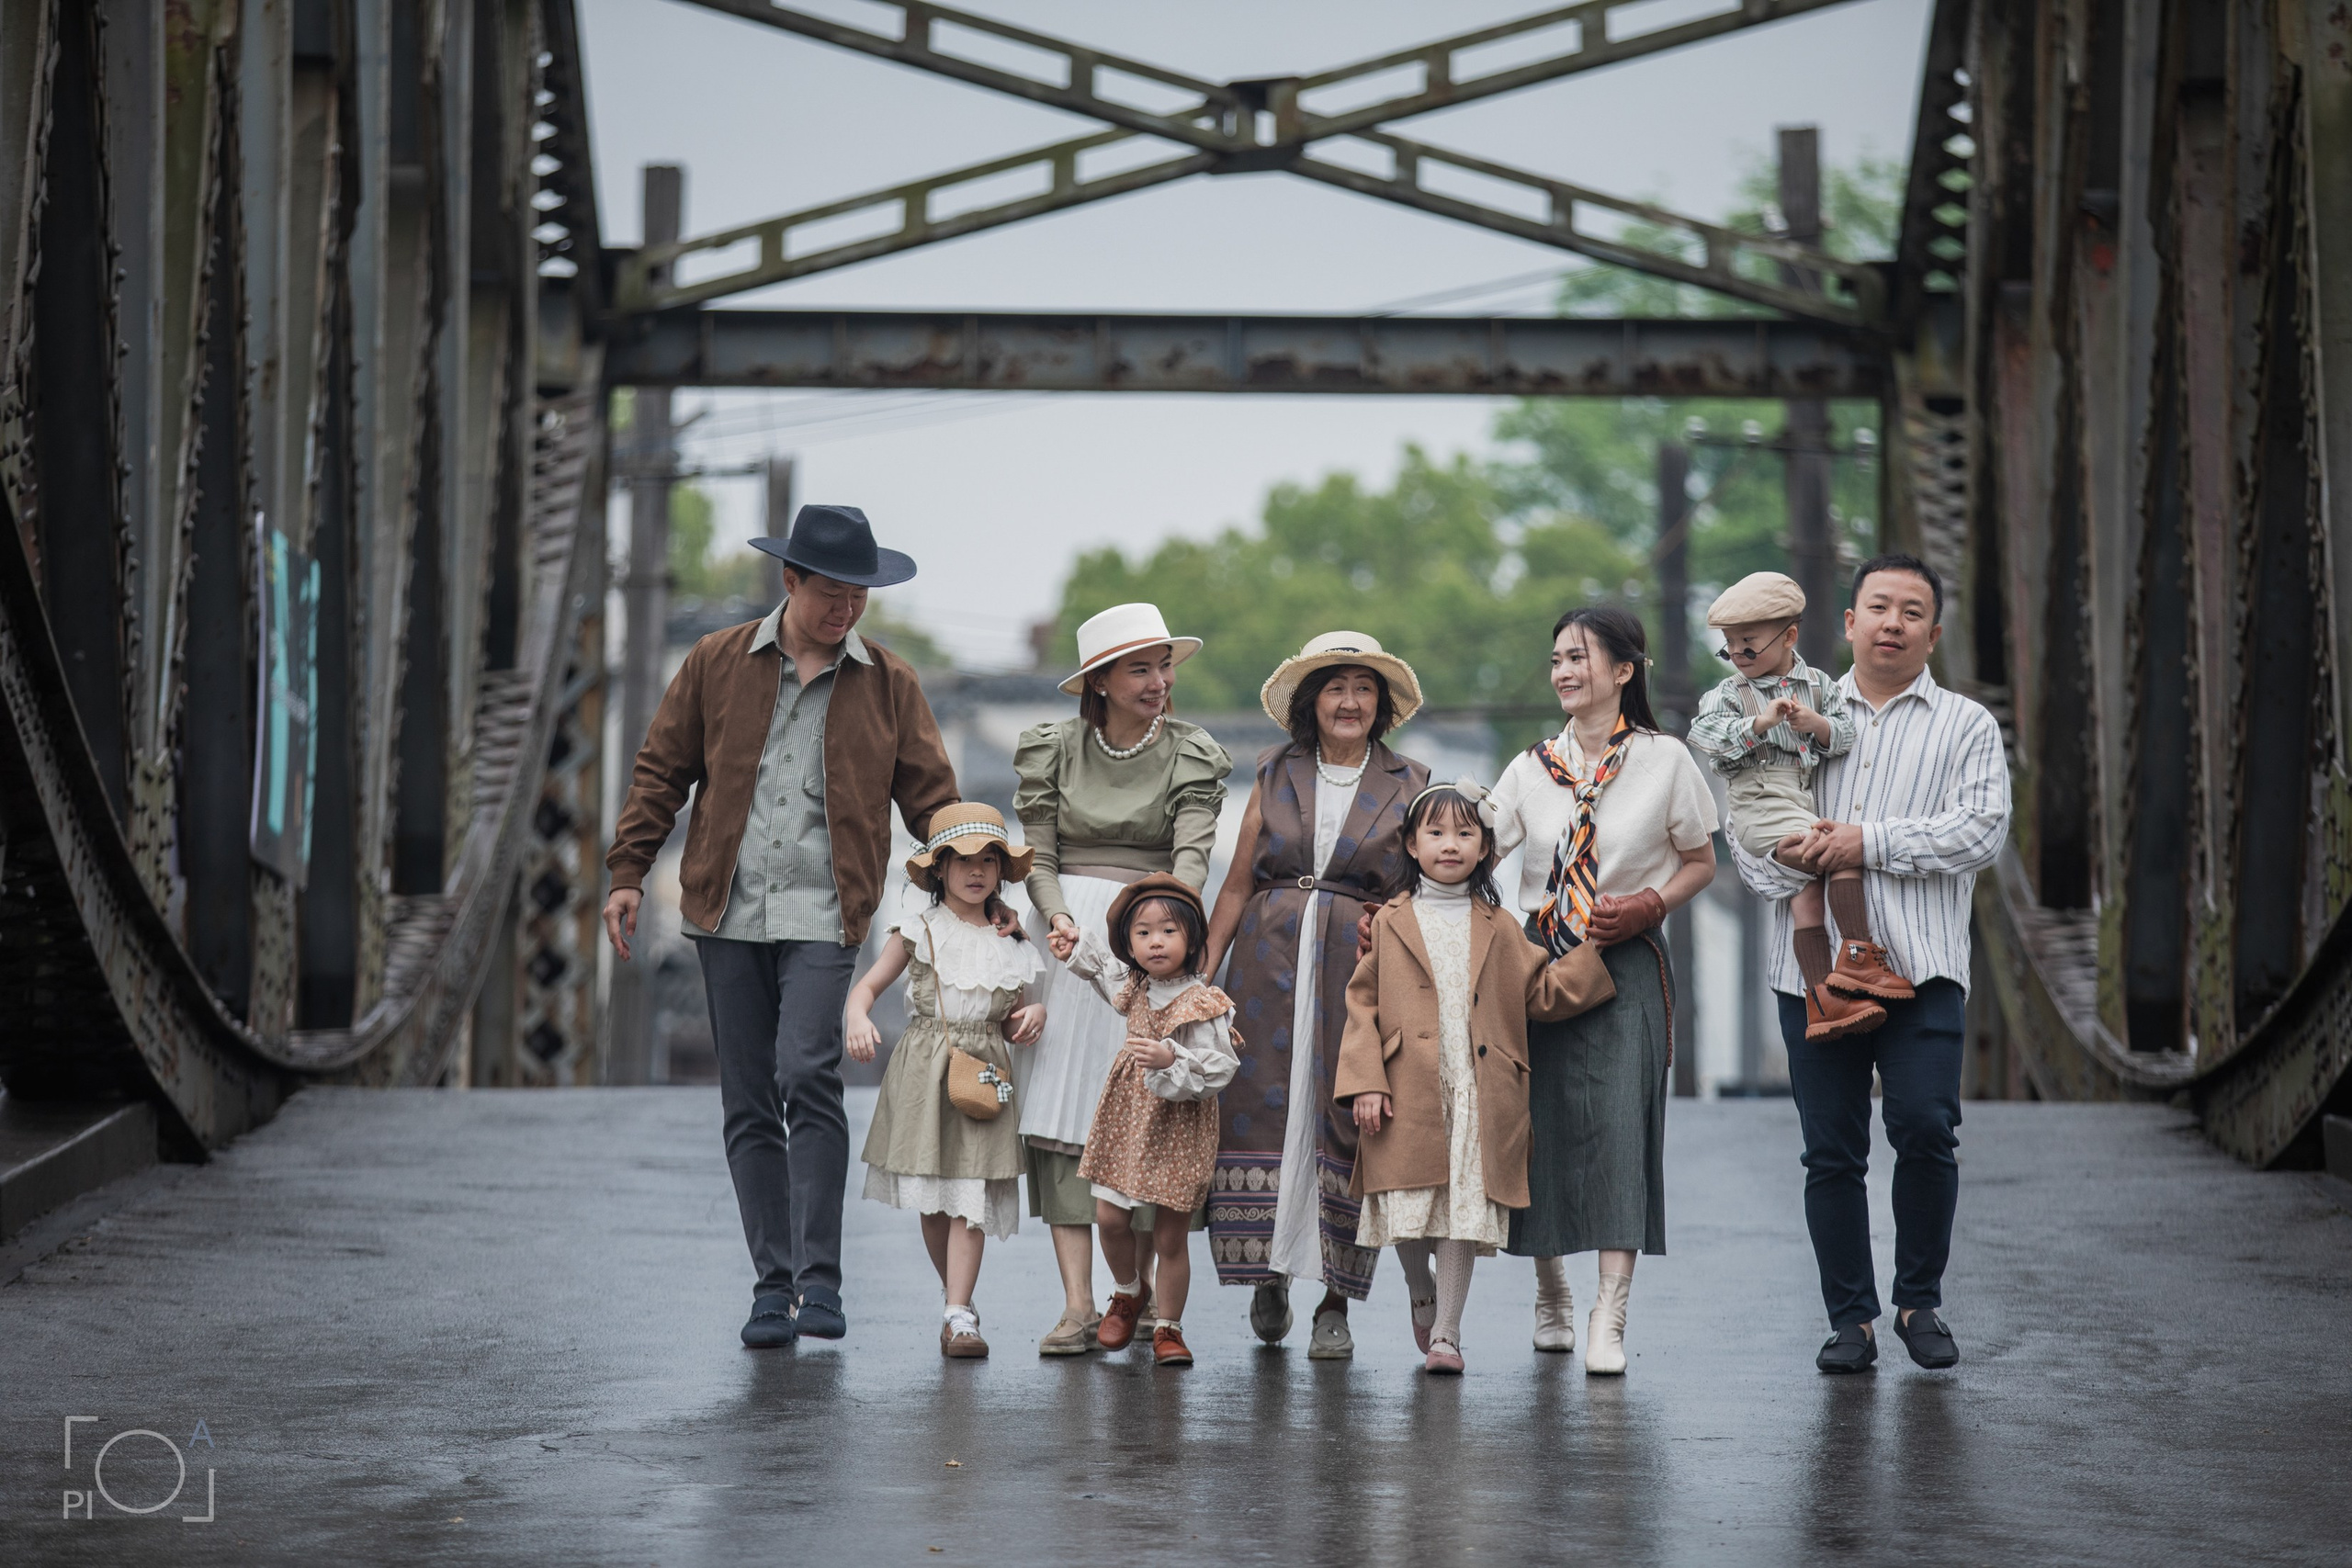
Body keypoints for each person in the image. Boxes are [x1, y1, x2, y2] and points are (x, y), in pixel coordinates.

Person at [604, 504, 959, 1349]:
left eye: (859, 596)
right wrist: (628, 869)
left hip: (828, 912)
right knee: (749, 1098)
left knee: (808, 1070)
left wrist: (975, 880)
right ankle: (772, 1288)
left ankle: (821, 1282)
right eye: (830, 593)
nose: (845, 611)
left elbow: (934, 802)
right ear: (790, 581)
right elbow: (662, 769)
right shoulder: (719, 661)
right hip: (727, 909)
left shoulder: (890, 684)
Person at [1728, 554, 2009, 1375]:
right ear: (1847, 623)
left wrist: (1867, 842)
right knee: (1832, 1150)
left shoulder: (1966, 725)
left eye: (1911, 610)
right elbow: (1749, 845)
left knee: (1926, 1127)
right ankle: (1849, 1320)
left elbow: (1981, 833)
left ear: (1934, 631)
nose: (1893, 622)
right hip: (1809, 975)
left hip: (1921, 967)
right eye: (1877, 606)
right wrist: (1805, 857)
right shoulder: (1785, 712)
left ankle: (1919, 1300)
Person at [1489, 605, 1718, 1374]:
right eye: (1555, 657)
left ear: (1624, 670)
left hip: (1625, 963)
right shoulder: (1529, 768)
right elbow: (1469, 844)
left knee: (1622, 1127)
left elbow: (1700, 860)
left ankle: (1608, 1315)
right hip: (1539, 961)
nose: (1562, 671)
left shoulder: (1666, 762)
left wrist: (1652, 903)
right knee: (1534, 1125)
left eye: (1579, 657)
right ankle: (1549, 1288)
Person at [1202, 631, 1430, 1360]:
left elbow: (1415, 889)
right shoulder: (1273, 770)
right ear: (1311, 701)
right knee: (1268, 1109)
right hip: (1265, 963)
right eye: (1336, 687)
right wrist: (1202, 974)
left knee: (1345, 1116)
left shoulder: (1411, 779)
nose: (1350, 701)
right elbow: (1237, 880)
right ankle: (1272, 1273)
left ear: (1382, 704)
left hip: (1355, 967)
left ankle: (1336, 1301)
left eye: (1364, 688)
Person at [1012, 603, 1233, 1356]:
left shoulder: (1191, 752)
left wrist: (1162, 928)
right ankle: (1078, 1303)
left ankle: (1134, 1292)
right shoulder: (1054, 749)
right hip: (1068, 936)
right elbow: (1036, 854)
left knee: (1144, 1114)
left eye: (1164, 665)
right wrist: (1053, 918)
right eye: (1140, 668)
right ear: (1099, 680)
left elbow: (1194, 856)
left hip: (1150, 932)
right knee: (1066, 1112)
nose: (1159, 681)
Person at [1337, 782, 1615, 1375]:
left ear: (1487, 849)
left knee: (1461, 1210)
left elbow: (1542, 991)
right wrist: (1366, 1079)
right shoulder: (1389, 921)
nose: (1450, 844)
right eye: (1435, 832)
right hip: (1405, 1086)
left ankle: (1447, 1334)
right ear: (1412, 844)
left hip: (1479, 1091)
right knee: (1410, 1205)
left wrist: (1598, 955)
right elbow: (1362, 1003)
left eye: (1465, 834)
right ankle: (1419, 1286)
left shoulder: (1501, 925)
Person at [844, 805, 1047, 1360]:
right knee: (933, 1200)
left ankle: (959, 1312)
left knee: (972, 1196)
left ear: (1002, 870)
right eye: (962, 860)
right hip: (924, 1068)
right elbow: (866, 990)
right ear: (938, 869)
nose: (977, 871)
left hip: (986, 1070)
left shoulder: (1011, 935)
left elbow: (1012, 1013)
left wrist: (1029, 1019)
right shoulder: (917, 928)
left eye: (989, 860)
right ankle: (955, 1297)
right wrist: (857, 1017)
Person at [1690, 571, 1910, 1042]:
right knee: (1833, 848)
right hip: (1760, 800)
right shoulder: (1729, 694)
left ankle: (1821, 999)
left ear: (1789, 636)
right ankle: (1858, 956)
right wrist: (1759, 724)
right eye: (1730, 648)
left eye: (1748, 646)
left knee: (1808, 895)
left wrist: (1818, 726)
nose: (1739, 657)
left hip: (1799, 798)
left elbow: (1846, 735)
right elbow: (1704, 736)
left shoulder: (1818, 686)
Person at [1049, 874, 1239, 1368]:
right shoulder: (1133, 985)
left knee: (1170, 1236)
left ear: (1193, 939)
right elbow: (1100, 971)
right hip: (1128, 1118)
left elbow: (1221, 1066)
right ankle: (1128, 1291)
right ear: (1130, 943)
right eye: (1144, 933)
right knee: (1111, 1217)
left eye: (1169, 931)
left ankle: (1169, 1328)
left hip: (1180, 1126)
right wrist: (1074, 945)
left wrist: (1171, 1055)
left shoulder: (1203, 1001)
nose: (1156, 942)